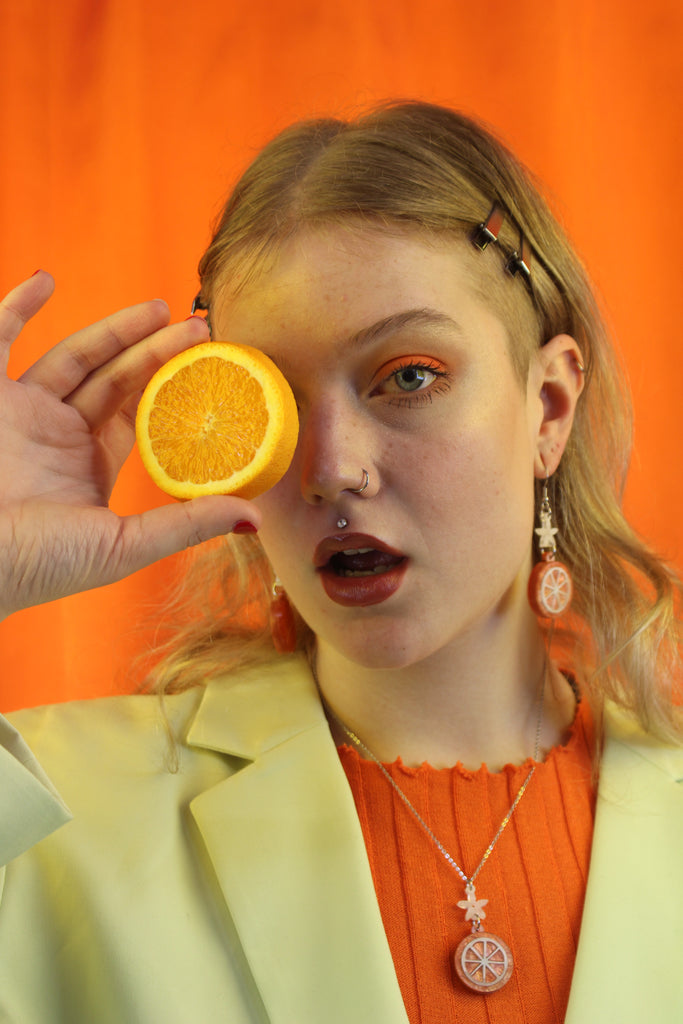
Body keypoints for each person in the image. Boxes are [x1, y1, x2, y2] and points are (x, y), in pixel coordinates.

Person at [1, 101, 681, 1024]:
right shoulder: (49, 808)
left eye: (408, 376)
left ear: (549, 409)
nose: (329, 469)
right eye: (272, 396)